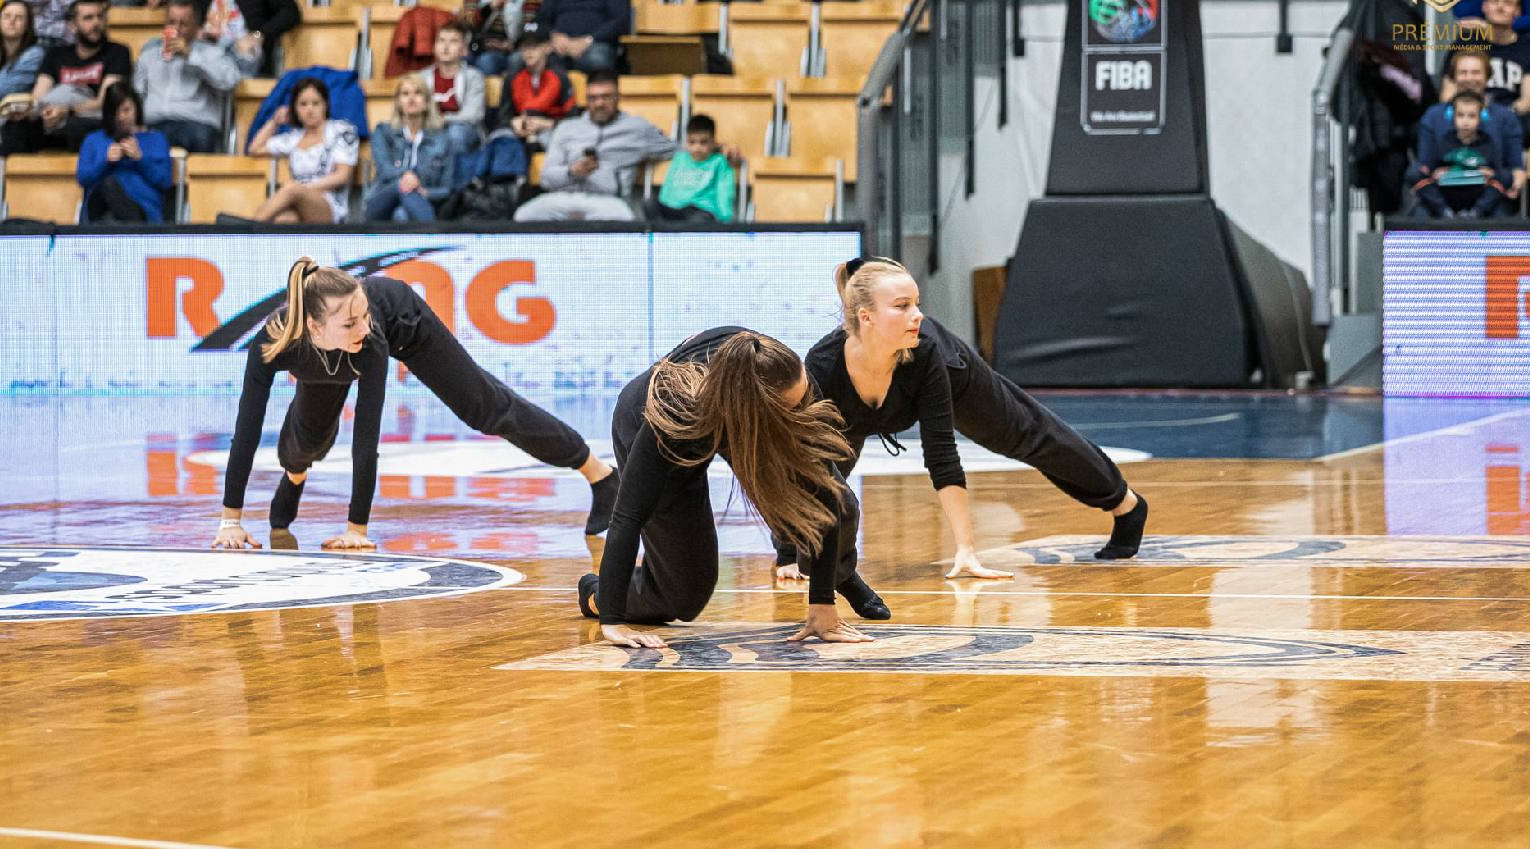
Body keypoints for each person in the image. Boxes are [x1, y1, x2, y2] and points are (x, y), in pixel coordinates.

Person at [773, 258, 1149, 580]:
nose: (918, 315)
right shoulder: (823, 365)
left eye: (917, 304)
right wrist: (790, 552)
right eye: (902, 306)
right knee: (822, 466)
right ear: (865, 316)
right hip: (853, 410)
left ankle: (1125, 504)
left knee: (1026, 434)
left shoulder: (928, 351)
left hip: (953, 379)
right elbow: (803, 465)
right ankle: (790, 546)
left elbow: (942, 457)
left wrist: (966, 549)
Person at [212, 258, 621, 551]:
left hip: (406, 327)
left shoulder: (369, 336)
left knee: (486, 408)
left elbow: (366, 439)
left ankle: (599, 474)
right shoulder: (271, 344)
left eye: (364, 315)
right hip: (325, 356)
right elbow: (246, 432)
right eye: (351, 322)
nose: (363, 327)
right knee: (305, 441)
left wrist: (357, 529)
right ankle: (295, 476)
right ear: (314, 327)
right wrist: (231, 521)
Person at [579, 326, 886, 649]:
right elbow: (627, 516)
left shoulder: (787, 375)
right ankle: (596, 594)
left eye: (803, 399)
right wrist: (612, 620)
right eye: (792, 410)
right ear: (754, 414)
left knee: (843, 503)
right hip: (654, 421)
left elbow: (824, 495)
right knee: (684, 596)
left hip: (735, 405)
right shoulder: (674, 411)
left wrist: (822, 606)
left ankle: (842, 577)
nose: (801, 412)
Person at [514, 70, 674, 220]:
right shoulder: (566, 128)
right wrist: (572, 171)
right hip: (562, 199)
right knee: (523, 216)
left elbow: (676, 150)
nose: (599, 103)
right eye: (593, 98)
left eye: (606, 97)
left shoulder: (638, 128)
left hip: (609, 201)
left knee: (623, 215)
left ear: (618, 97)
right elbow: (546, 178)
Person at [1, 0, 132, 155]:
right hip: (56, 120)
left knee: (75, 125)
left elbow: (104, 102)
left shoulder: (118, 52)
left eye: (100, 17)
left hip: (93, 121)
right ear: (72, 26)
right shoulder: (56, 55)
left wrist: (67, 111)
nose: (96, 23)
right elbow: (39, 96)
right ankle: (14, 171)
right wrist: (31, 112)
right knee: (14, 126)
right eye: (88, 18)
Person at [132, 0, 242, 153]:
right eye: (171, 22)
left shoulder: (212, 53)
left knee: (198, 137)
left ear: (196, 27)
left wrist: (191, 55)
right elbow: (136, 95)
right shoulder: (149, 56)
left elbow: (230, 81)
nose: (176, 29)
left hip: (194, 124)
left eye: (183, 24)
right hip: (154, 124)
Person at [1418, 50, 1525, 204]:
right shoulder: (1434, 115)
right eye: (1463, 72)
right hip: (1443, 194)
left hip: (1491, 193)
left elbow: (1516, 166)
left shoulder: (1506, 117)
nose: (1469, 78)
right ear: (1453, 77)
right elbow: (1424, 165)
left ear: (1487, 77)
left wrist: (1515, 181)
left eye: (1476, 72)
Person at [248, 77, 359, 223]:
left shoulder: (341, 131)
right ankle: (249, 230)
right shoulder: (294, 138)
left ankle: (246, 230)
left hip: (330, 206)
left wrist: (301, 190)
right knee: (282, 220)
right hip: (295, 201)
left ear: (325, 105)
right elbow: (254, 149)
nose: (309, 110)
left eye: (315, 103)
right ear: (295, 109)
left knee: (291, 188)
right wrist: (275, 122)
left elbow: (342, 176)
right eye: (303, 104)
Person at [1444, 0, 1530, 141]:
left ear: (1518, 11)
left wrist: (1499, 117)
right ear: (1485, 6)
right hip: (1464, 117)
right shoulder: (1465, 43)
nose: (1500, 7)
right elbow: (1447, 94)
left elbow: (1526, 101)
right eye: (1495, 1)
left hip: (1511, 120)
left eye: (1507, 3)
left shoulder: (1527, 48)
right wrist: (1470, 115)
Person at [76, 81, 173, 223]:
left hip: (142, 211)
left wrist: (140, 159)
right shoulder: (93, 140)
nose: (121, 117)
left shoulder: (156, 139)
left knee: (110, 189)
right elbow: (83, 178)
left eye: (126, 110)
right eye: (115, 112)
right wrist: (105, 162)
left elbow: (164, 181)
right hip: (99, 210)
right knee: (107, 187)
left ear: (136, 108)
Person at [1410, 91, 1515, 218]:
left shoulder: (1488, 142)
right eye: (1460, 115)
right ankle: (1444, 212)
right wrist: (1437, 173)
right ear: (1452, 116)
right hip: (1448, 194)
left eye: (1471, 116)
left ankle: (1476, 213)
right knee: (1413, 173)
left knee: (1507, 177)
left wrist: (1490, 173)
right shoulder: (1444, 140)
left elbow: (1497, 172)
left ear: (1481, 117)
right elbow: (1431, 170)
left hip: (1477, 193)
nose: (1465, 121)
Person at [366, 73, 455, 221]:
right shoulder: (383, 132)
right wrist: (408, 177)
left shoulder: (442, 140)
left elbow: (446, 189)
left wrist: (424, 192)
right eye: (405, 94)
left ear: (427, 102)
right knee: (402, 186)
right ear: (398, 102)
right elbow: (385, 170)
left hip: (421, 201)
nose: (411, 99)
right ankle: (430, 231)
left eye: (418, 93)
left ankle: (426, 228)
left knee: (402, 214)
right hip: (382, 200)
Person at [494, 29, 574, 150]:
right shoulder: (512, 78)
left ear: (547, 48)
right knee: (500, 139)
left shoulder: (560, 77)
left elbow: (572, 117)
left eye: (534, 47)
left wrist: (548, 124)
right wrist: (513, 122)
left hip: (550, 128)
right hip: (519, 130)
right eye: (525, 47)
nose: (528, 52)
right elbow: (504, 115)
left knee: (552, 141)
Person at [421, 21, 486, 156]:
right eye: (441, 40)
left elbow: (474, 114)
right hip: (430, 127)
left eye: (453, 41)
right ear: (434, 47)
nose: (445, 46)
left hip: (464, 130)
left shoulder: (473, 76)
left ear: (464, 50)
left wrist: (443, 120)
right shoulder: (422, 77)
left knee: (455, 133)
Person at [656, 114, 735, 222]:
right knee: (649, 204)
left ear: (713, 142)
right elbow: (668, 186)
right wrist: (665, 205)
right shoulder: (679, 158)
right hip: (675, 210)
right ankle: (664, 230)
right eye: (692, 142)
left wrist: (725, 219)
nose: (697, 147)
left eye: (703, 142)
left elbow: (724, 191)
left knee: (699, 219)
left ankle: (675, 229)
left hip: (701, 210)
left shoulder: (719, 161)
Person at [0, 1, 46, 152]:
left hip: (19, 119)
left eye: (19, 17)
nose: (11, 21)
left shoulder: (35, 54)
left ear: (28, 25)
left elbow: (7, 89)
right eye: (7, 16)